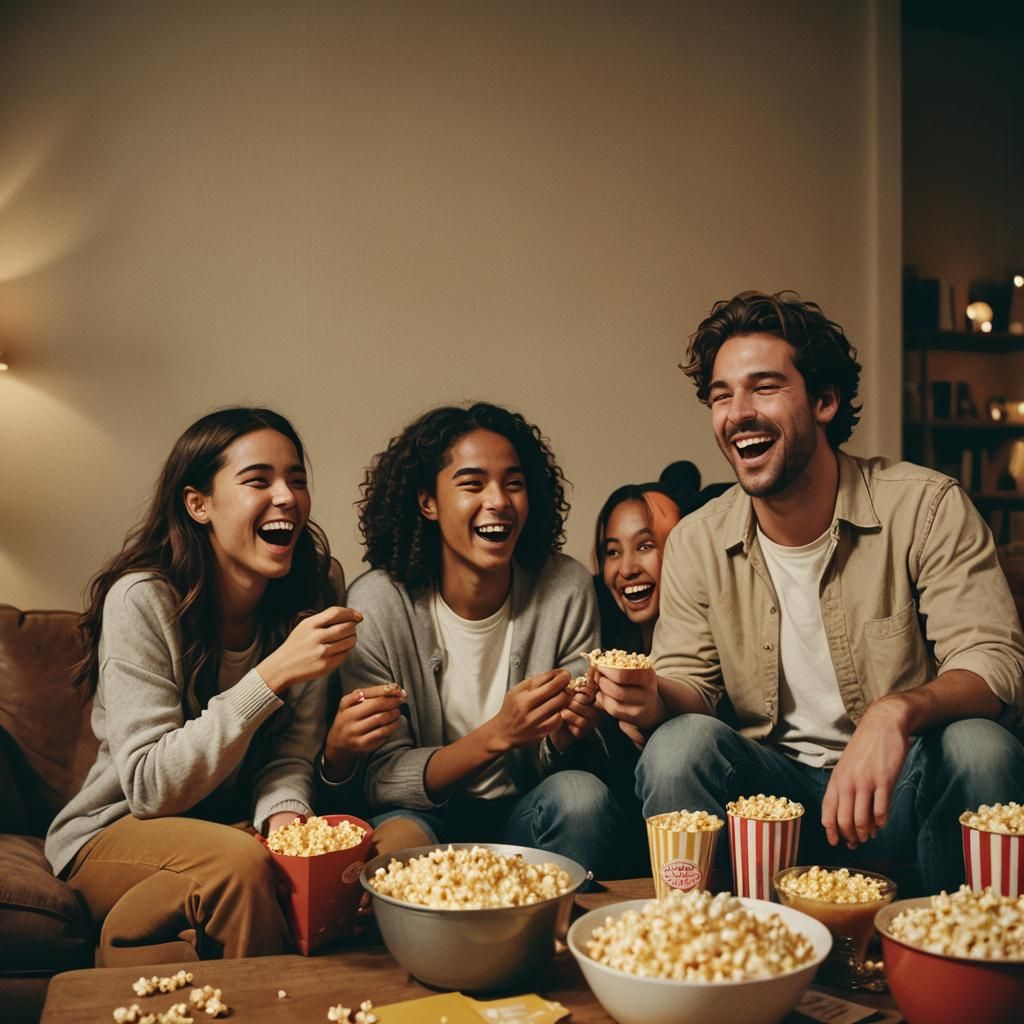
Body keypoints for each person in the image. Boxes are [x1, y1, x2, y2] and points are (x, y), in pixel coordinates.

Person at [594, 291, 1024, 894]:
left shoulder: (926, 507)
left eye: (763, 387)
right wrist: (652, 698)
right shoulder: (696, 540)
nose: (737, 412)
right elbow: (690, 687)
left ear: (824, 401)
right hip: (771, 804)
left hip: (900, 787)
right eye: (722, 395)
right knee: (676, 744)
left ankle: (962, 954)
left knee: (981, 747)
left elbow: (994, 663)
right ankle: (700, 953)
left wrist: (895, 712)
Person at [45, 407, 366, 965]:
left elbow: (292, 754)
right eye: (258, 480)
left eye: (296, 479)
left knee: (380, 852)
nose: (287, 496)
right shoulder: (142, 599)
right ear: (199, 504)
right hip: (117, 830)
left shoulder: (315, 587)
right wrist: (272, 674)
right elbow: (149, 787)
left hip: (232, 827)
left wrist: (287, 823)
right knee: (239, 863)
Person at [325, 402, 621, 877]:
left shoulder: (564, 588)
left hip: (527, 811)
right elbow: (383, 779)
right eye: (472, 483)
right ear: (428, 502)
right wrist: (499, 734)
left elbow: (575, 761)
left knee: (582, 797)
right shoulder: (378, 604)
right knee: (396, 843)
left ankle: (562, 941)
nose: (499, 500)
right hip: (421, 817)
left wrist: (565, 738)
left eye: (514, 483)